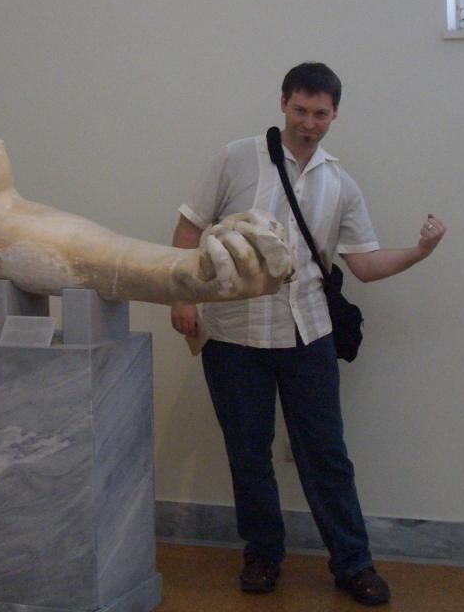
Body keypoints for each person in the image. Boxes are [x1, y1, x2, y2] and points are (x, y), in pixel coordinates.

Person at [170, 62, 446, 607]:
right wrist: (181, 297)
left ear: (335, 114)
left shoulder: (339, 182)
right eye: (300, 110)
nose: (309, 123)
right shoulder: (235, 158)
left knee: (326, 455)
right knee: (248, 453)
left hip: (308, 334)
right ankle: (262, 554)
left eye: (320, 114)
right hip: (233, 335)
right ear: (283, 103)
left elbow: (363, 264)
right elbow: (188, 228)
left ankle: (353, 563)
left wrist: (419, 252)